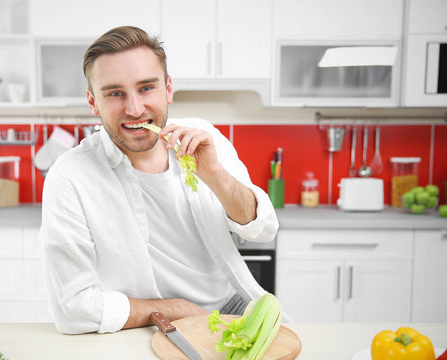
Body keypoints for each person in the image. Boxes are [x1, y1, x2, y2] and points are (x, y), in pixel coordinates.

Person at [39, 25, 279, 335]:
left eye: (146, 88)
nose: (135, 109)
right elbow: (72, 309)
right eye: (114, 93)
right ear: (92, 101)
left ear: (167, 88)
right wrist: (177, 310)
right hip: (142, 324)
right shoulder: (70, 176)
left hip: (229, 309)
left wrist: (214, 175)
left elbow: (264, 229)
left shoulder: (204, 138)